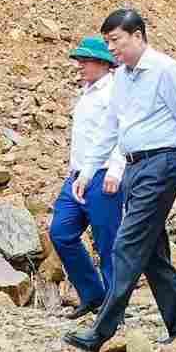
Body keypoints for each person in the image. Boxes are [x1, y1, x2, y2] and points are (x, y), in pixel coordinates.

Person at [65, 9, 176, 352]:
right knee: (152, 252)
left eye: (116, 40)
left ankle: (102, 330)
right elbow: (110, 128)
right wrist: (87, 172)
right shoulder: (123, 78)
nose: (111, 48)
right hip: (134, 166)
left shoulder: (166, 70)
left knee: (126, 245)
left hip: (163, 163)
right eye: (108, 42)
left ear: (138, 36)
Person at [50, 37, 125, 320]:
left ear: (103, 62)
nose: (79, 66)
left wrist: (117, 170)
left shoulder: (114, 91)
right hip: (77, 175)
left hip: (104, 175)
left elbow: (122, 134)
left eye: (85, 60)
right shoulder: (88, 91)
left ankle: (114, 308)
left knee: (108, 243)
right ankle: (93, 295)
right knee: (61, 232)